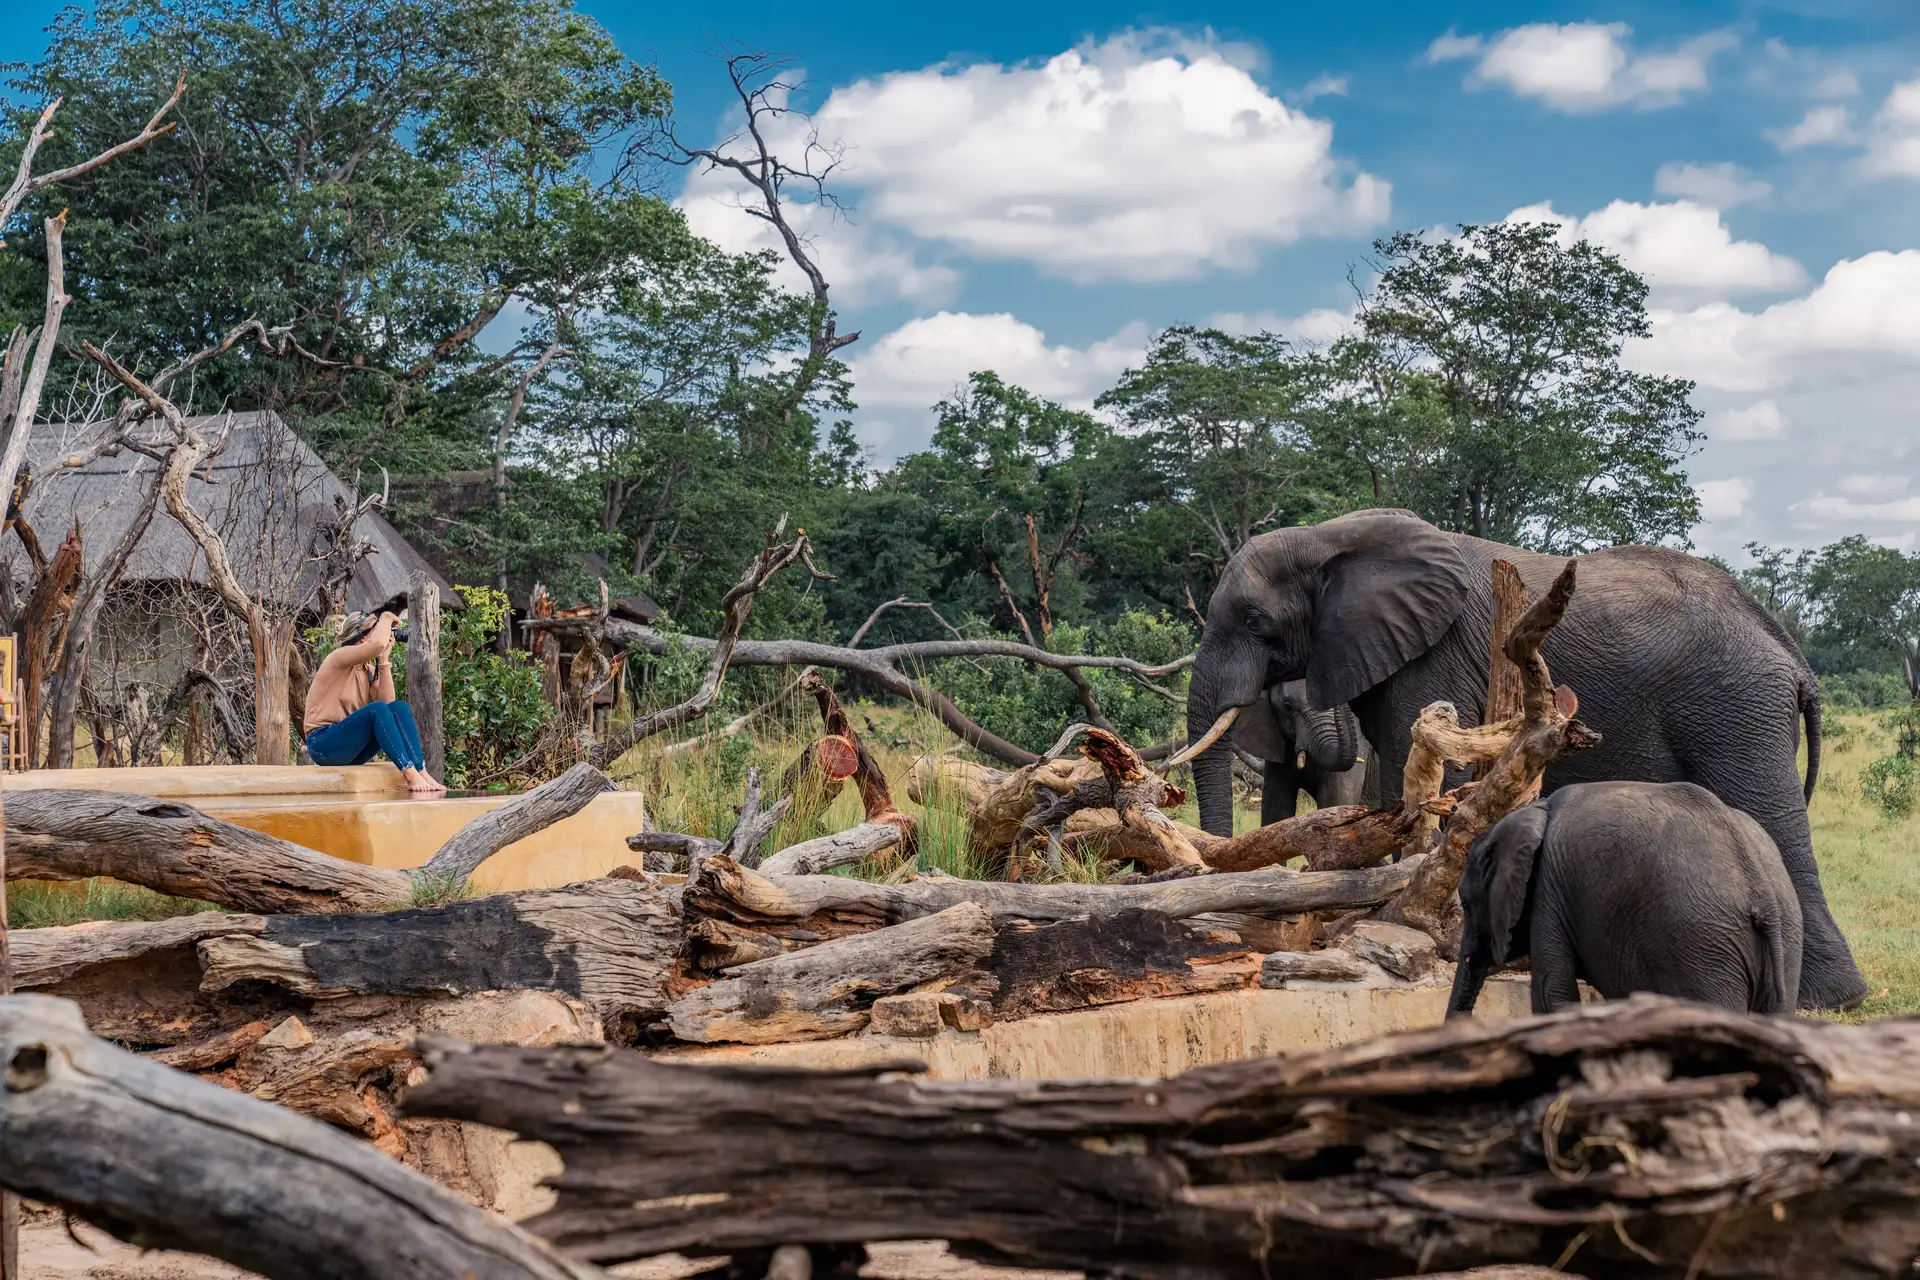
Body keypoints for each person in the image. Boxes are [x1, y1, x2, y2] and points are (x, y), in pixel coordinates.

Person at [303, 610, 446, 793]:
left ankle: (420, 770)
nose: (385, 635)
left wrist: (384, 661)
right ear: (362, 637)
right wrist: (386, 616)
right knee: (376, 710)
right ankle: (410, 774)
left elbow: (389, 704)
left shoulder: (367, 671)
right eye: (377, 629)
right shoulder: (338, 658)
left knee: (398, 708)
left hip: (351, 751)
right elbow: (377, 644)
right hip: (322, 744)